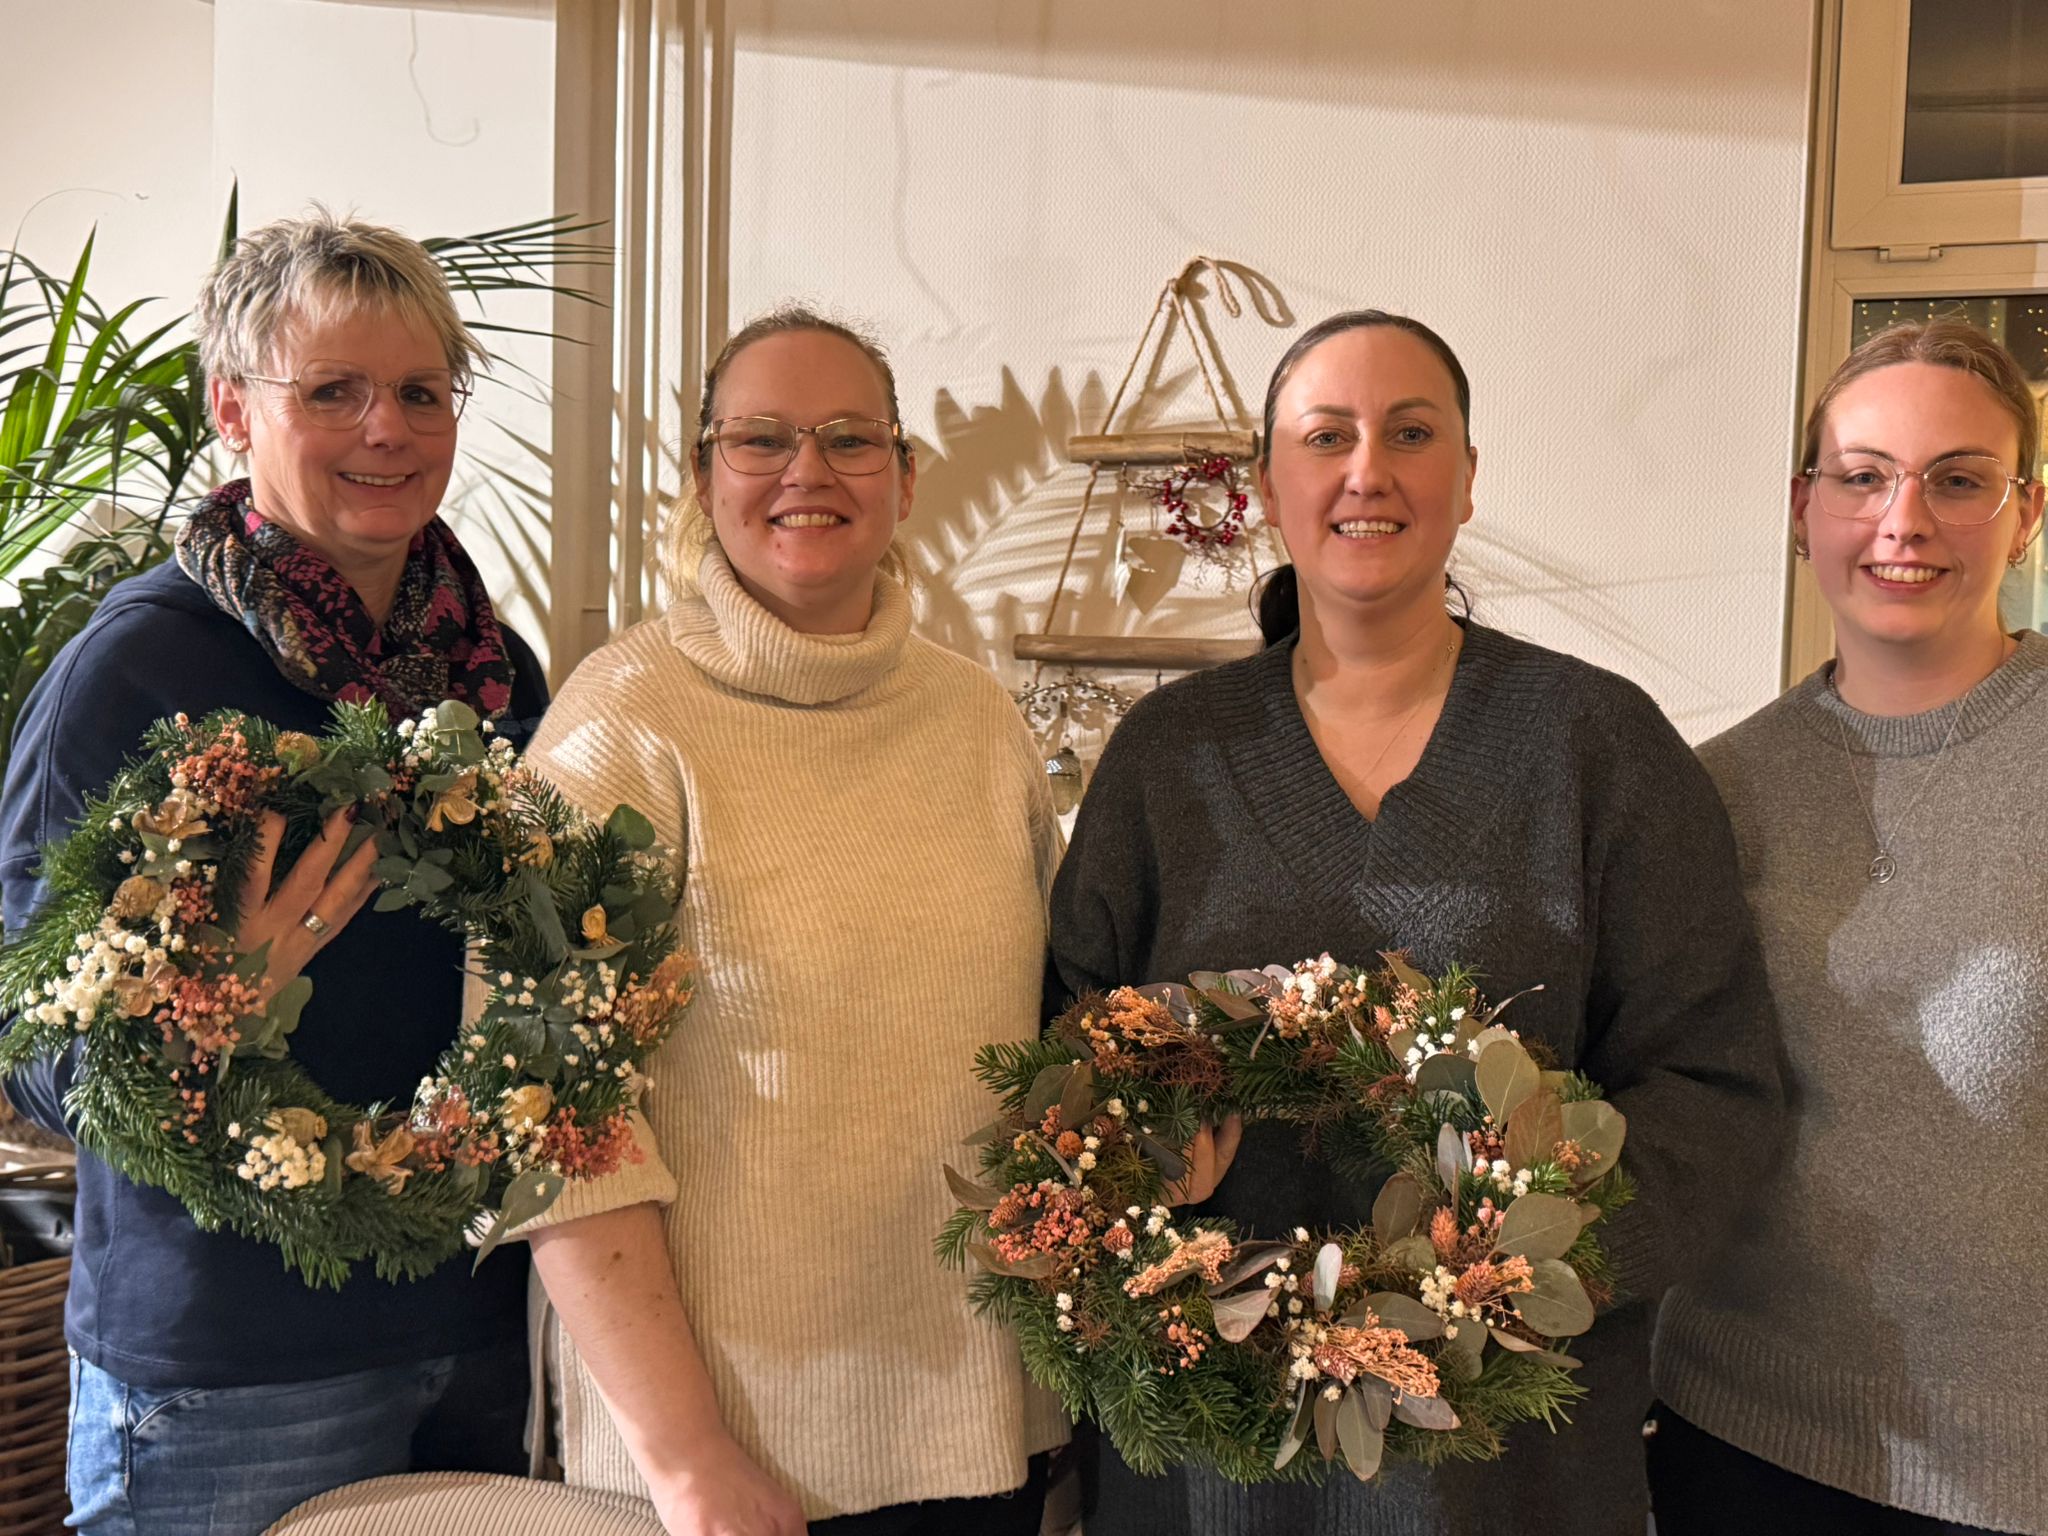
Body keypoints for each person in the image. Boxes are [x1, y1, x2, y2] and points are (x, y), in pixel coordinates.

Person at [1047, 309, 1786, 1535]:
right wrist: (1138, 1154)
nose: (1365, 471)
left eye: (1409, 432)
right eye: (1323, 436)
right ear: (1268, 483)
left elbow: (1710, 1087)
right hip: (1209, 1467)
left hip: (1508, 1478)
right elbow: (1066, 1055)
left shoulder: (1597, 749)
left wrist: (1522, 1270)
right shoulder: (1166, 763)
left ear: (1466, 478)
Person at [0, 212, 548, 1534]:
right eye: (336, 391)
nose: (388, 429)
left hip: (484, 1318)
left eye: (422, 392)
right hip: (232, 1361)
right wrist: (210, 999)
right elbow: (25, 1031)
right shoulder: (136, 669)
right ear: (235, 408)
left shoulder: (498, 673)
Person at [519, 306, 1065, 1536]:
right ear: (703, 474)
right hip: (723, 1468)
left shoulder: (978, 721)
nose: (806, 472)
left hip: (976, 1432)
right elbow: (553, 1131)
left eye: (847, 439)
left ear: (906, 477)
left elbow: (1039, 1048)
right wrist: (690, 1458)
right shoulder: (619, 730)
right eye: (760, 438)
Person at [1649, 321, 2047, 1536]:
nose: (1902, 520)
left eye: (1957, 480)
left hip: (2004, 1471)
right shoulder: (1706, 791)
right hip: (1729, 1437)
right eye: (1862, 475)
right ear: (1801, 505)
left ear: (2024, 514)